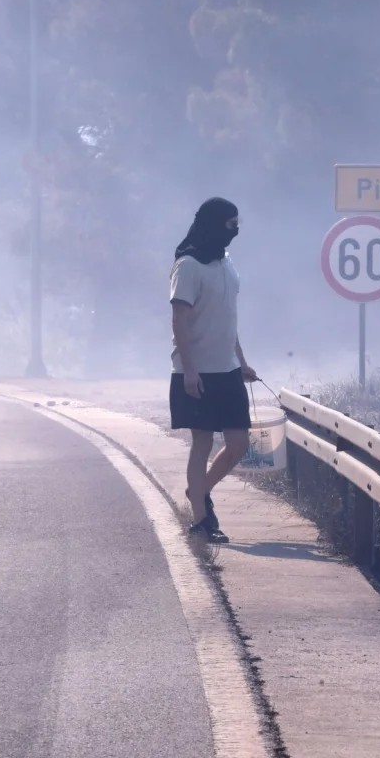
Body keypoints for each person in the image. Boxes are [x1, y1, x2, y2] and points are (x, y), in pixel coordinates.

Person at [169, 197, 257, 544]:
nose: (235, 232)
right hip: (197, 372)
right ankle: (203, 520)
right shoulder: (188, 266)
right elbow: (179, 320)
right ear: (213, 225)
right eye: (229, 225)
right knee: (202, 443)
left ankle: (198, 490)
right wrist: (190, 371)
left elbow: (226, 320)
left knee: (238, 443)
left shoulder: (227, 263)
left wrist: (242, 361)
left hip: (229, 369)